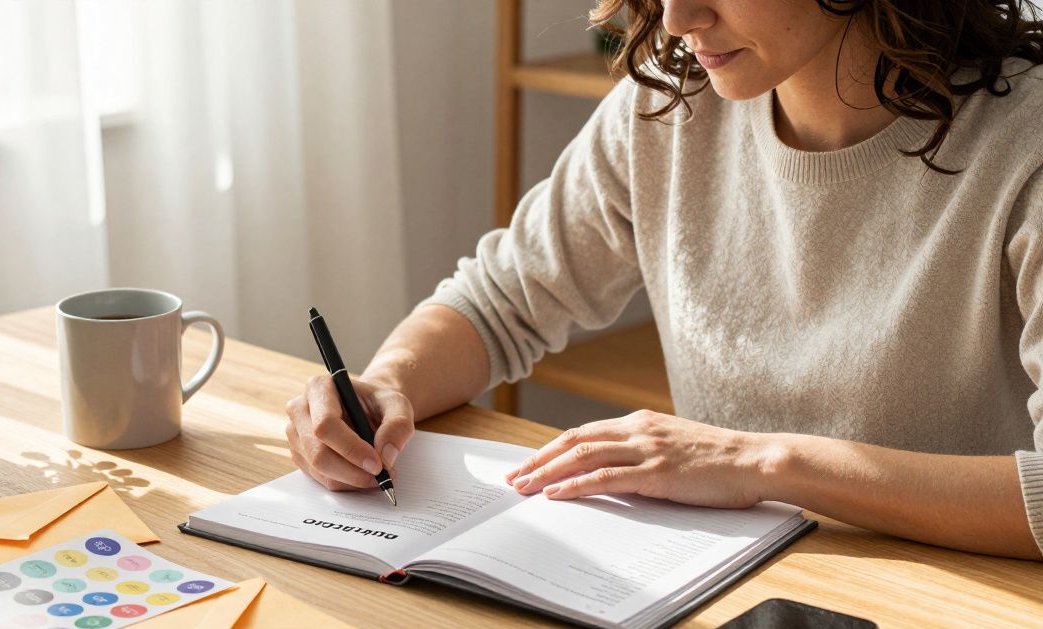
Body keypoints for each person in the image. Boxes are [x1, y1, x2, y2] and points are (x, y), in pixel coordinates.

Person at [284, 0, 1043, 560]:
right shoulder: (667, 108)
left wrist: (763, 464)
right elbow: (498, 304)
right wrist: (389, 385)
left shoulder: (1024, 150)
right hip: (723, 589)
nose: (678, 18)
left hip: (963, 619)